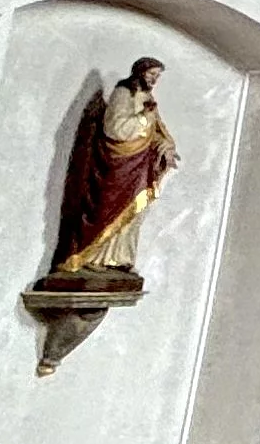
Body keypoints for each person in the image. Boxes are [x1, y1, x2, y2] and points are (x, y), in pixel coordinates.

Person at [50, 59, 176, 279]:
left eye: (157, 76)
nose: (154, 80)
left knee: (135, 211)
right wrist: (144, 118)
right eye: (151, 74)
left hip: (140, 166)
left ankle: (119, 259)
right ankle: (91, 257)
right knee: (106, 209)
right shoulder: (123, 93)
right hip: (118, 165)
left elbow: (155, 133)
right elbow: (115, 129)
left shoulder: (147, 99)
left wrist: (165, 147)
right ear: (140, 72)